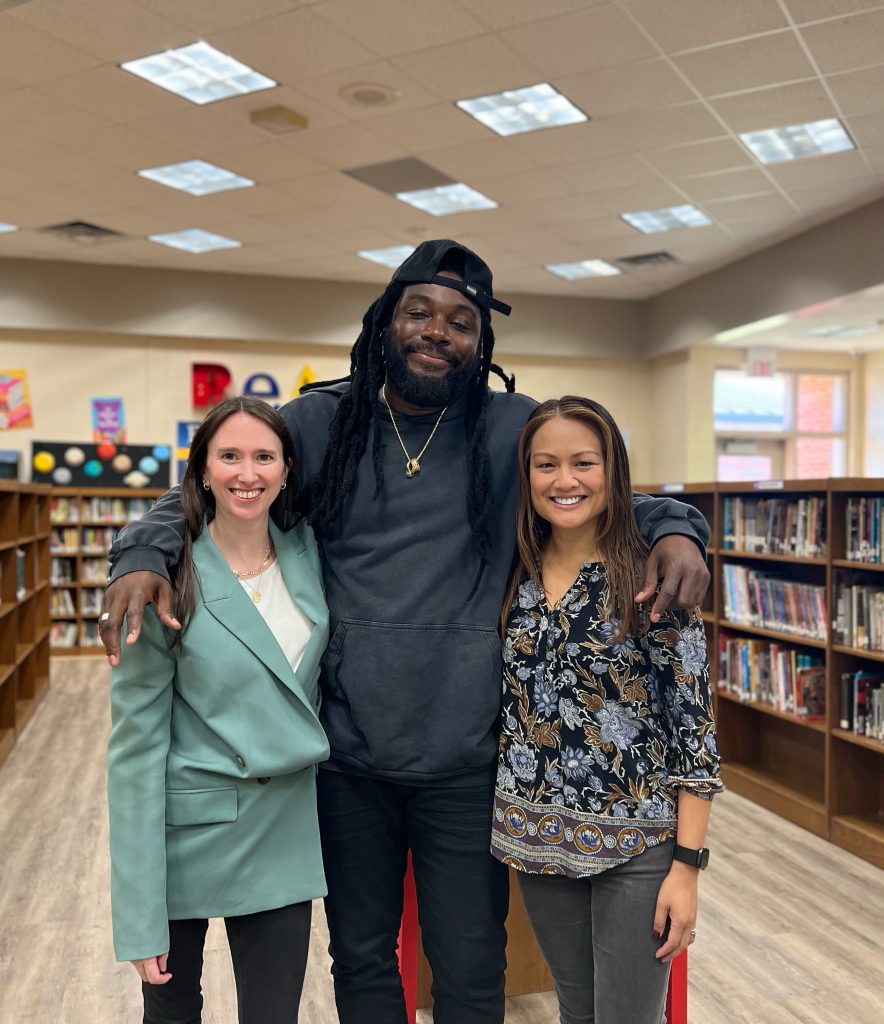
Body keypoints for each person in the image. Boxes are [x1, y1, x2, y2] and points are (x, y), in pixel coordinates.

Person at [99, 240, 712, 1024]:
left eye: (461, 321)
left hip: (467, 759)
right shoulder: (321, 423)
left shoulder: (510, 427)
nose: (437, 331)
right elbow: (213, 484)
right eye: (418, 311)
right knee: (360, 956)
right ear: (385, 320)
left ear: (480, 340)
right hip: (347, 757)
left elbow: (600, 484)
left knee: (469, 961)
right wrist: (143, 552)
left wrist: (680, 530)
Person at [492, 396, 722, 1024]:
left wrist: (687, 868)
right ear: (527, 475)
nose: (564, 481)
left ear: (613, 471)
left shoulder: (653, 577)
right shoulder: (511, 572)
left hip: (639, 846)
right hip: (536, 839)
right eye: (546, 465)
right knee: (576, 1011)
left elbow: (694, 735)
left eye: (583, 463)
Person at [107, 396, 330, 1024]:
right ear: (203, 468)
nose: (247, 473)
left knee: (273, 1015)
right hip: (189, 833)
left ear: (287, 469)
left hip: (283, 823)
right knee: (172, 1013)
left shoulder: (309, 550)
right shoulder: (163, 576)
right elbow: (135, 748)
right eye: (228, 455)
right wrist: (137, 914)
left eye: (264, 456)